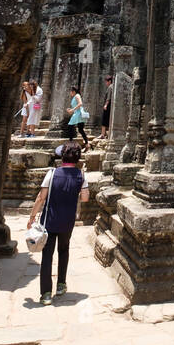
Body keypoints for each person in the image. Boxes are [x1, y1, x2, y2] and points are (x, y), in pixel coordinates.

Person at [28, 143, 89, 304]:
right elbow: (85, 198)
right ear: (77, 158)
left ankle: (46, 294)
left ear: (62, 157)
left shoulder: (53, 173)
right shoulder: (81, 175)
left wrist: (32, 217)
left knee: (47, 255)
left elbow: (41, 198)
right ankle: (61, 284)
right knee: (64, 250)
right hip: (67, 222)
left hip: (49, 221)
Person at [99, 75, 113, 140]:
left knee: (104, 120)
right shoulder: (112, 86)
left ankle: (102, 134)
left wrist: (106, 105)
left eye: (106, 82)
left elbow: (108, 98)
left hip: (108, 105)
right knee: (108, 120)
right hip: (110, 105)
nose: (106, 83)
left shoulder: (110, 87)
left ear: (109, 81)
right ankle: (107, 134)